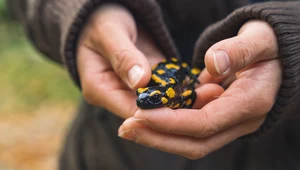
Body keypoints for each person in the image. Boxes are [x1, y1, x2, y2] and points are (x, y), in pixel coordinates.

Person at [8, 0, 300, 169]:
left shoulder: (175, 94)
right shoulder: (165, 92)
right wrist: (81, 11)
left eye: (149, 98)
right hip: (107, 155)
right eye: (147, 97)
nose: (144, 99)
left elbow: (183, 93)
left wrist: (292, 40)